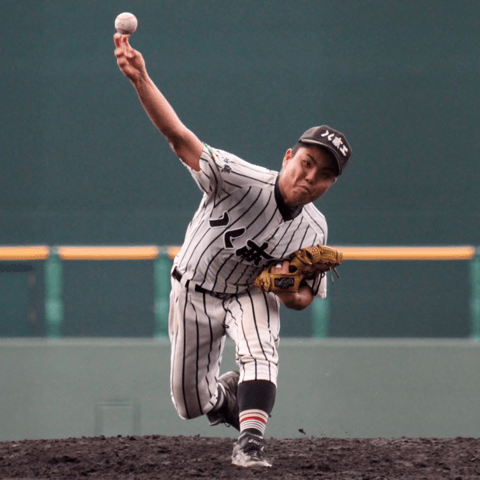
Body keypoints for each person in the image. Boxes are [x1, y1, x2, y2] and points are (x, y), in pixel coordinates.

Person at [114, 32, 351, 468]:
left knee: (262, 347)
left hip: (249, 292)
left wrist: (283, 289)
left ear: (331, 185)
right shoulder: (237, 178)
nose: (310, 177)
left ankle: (251, 442)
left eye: (323, 175)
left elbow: (301, 300)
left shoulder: (315, 228)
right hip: (195, 290)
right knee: (190, 403)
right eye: (306, 163)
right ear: (287, 157)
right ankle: (226, 396)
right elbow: (178, 137)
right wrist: (140, 79)